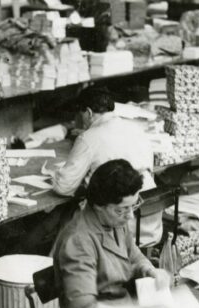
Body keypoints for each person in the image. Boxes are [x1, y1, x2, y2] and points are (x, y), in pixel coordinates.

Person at [53, 159, 170, 308]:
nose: (130, 216)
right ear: (99, 206)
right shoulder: (79, 242)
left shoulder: (114, 221)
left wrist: (150, 271)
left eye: (134, 205)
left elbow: (134, 257)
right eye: (122, 209)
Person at [52, 87, 161, 246]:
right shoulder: (137, 129)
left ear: (88, 112)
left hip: (120, 226)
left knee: (67, 217)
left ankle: (61, 261)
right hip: (150, 222)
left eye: (81, 115)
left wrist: (56, 174)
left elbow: (64, 188)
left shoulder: (89, 137)